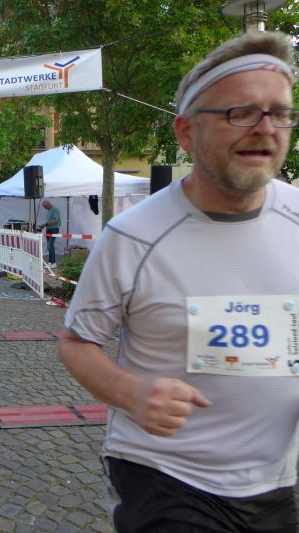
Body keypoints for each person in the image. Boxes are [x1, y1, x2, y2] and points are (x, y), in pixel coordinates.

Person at [58, 31, 299, 532]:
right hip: (166, 477)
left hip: (280, 480)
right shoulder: (133, 236)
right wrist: (131, 393)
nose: (264, 128)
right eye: (240, 113)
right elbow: (77, 342)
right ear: (186, 132)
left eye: (279, 113)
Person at [41, 199, 60, 267]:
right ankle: (50, 262)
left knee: (50, 245)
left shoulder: (55, 210)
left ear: (48, 204)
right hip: (48, 229)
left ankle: (53, 262)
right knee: (49, 246)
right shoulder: (49, 211)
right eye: (44, 207)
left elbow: (55, 220)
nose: (45, 208)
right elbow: (49, 221)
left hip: (54, 229)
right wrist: (45, 225)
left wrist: (45, 224)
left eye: (45, 207)